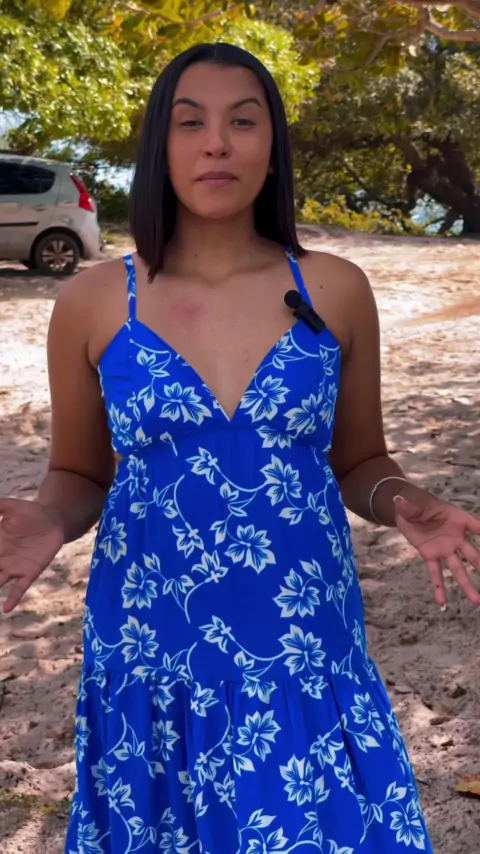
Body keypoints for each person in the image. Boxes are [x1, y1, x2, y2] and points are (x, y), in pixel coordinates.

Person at [0, 42, 479, 854]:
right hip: (152, 651)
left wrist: (405, 501)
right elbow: (79, 471)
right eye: (190, 123)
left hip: (303, 645)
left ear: (272, 146)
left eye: (242, 122)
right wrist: (49, 519)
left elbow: (360, 461)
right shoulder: (93, 300)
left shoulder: (335, 288)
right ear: (160, 146)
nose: (216, 143)